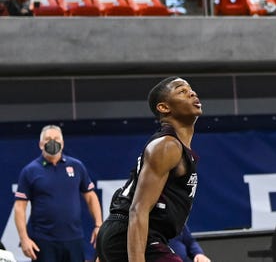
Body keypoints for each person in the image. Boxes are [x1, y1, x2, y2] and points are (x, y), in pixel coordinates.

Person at [95, 77, 202, 262]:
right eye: (181, 91)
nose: (192, 93)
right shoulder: (167, 146)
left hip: (129, 234)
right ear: (164, 107)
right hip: (128, 233)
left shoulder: (176, 147)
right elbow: (138, 209)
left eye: (191, 89)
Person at [14, 124, 103, 262]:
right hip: (43, 242)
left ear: (62, 142)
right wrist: (24, 238)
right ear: (40, 144)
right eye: (48, 139)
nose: (52, 142)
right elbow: (20, 207)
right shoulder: (30, 171)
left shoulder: (76, 166)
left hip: (74, 241)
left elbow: (91, 197)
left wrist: (99, 225)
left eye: (56, 138)